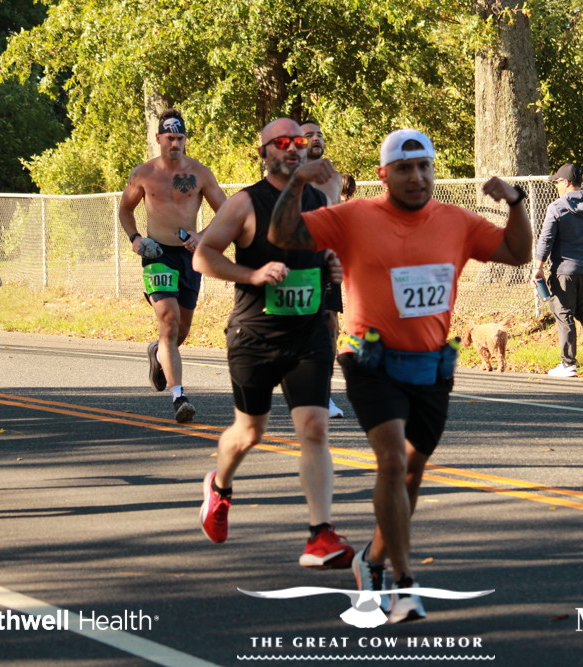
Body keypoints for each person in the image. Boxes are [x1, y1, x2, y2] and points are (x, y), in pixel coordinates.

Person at [268, 128, 531, 623]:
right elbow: (283, 236)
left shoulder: (456, 221)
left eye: (424, 167)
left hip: (430, 366)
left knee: (410, 473)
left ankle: (372, 560)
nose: (416, 177)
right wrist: (297, 183)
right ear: (383, 175)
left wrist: (516, 203)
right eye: (405, 168)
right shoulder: (353, 216)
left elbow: (518, 253)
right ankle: (404, 584)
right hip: (371, 361)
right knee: (391, 462)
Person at [192, 117, 354, 570]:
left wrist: (332, 265)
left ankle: (320, 535)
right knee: (250, 432)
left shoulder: (321, 199)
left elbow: (325, 250)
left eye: (298, 140)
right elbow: (203, 256)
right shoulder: (246, 203)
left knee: (315, 428)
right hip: (255, 335)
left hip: (309, 335)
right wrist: (252, 274)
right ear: (263, 152)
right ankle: (219, 487)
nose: (292, 147)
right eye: (281, 142)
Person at [118, 109, 226, 423]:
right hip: (157, 254)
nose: (175, 143)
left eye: (180, 138)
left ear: (185, 139)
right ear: (158, 139)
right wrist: (135, 238)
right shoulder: (144, 173)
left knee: (181, 330)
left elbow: (227, 210)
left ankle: (158, 352)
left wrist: (202, 236)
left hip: (189, 256)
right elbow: (125, 210)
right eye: (170, 138)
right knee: (169, 319)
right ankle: (179, 397)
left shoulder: (200, 172)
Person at [533, 163, 583, 378]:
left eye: (557, 182)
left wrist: (538, 267)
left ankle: (568, 364)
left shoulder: (557, 207)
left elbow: (546, 239)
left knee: (564, 314)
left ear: (566, 183)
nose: (556, 186)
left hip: (564, 271)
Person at [300, 120, 345, 418]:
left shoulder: (334, 177)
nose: (316, 139)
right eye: (308, 135)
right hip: (295, 261)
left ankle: (323, 396)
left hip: (327, 263)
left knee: (329, 327)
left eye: (319, 135)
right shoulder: (287, 176)